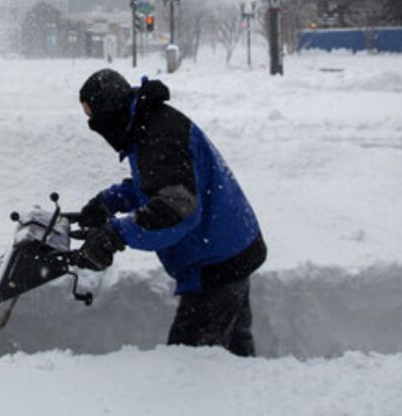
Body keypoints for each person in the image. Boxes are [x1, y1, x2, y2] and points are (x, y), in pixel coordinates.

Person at [71, 69, 266, 356]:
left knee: (188, 367)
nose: (95, 127)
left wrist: (115, 234)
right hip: (228, 251)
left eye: (94, 119)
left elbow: (176, 209)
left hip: (215, 264)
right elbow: (154, 185)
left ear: (109, 112)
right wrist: (108, 201)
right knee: (234, 363)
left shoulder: (158, 135)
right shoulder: (147, 124)